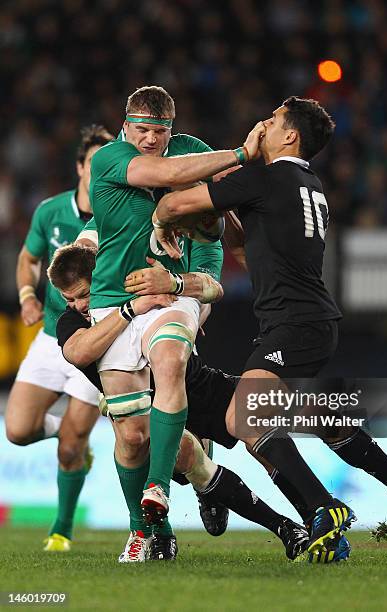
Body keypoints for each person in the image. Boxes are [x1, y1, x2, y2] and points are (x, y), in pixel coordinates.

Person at [150, 96, 387, 557]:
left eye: (274, 121)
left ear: (290, 136)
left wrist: (228, 165)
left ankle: (322, 506)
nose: (265, 124)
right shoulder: (307, 183)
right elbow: (245, 244)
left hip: (295, 324)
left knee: (245, 415)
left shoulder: (265, 176)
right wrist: (222, 207)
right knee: (322, 421)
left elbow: (176, 205)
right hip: (308, 323)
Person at [47, 243, 313, 564]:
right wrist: (129, 311)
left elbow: (204, 298)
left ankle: (315, 516)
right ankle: (161, 532)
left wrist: (189, 307)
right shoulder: (87, 318)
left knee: (259, 425)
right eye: (69, 299)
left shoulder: (152, 282)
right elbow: (78, 352)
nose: (78, 305)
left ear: (102, 280)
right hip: (149, 407)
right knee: (160, 447)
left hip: (195, 385)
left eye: (84, 294)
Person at [87, 85, 263, 539]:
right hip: (117, 300)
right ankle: (155, 525)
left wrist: (192, 295)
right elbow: (165, 173)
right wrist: (241, 152)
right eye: (141, 130)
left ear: (172, 129)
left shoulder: (192, 151)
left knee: (171, 361)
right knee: (131, 433)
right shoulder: (111, 158)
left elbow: (223, 211)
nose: (148, 138)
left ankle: (158, 489)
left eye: (158, 132)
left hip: (178, 287)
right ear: (126, 126)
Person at [4, 125, 114, 551]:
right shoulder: (51, 211)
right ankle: (73, 438)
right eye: (96, 163)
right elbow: (28, 258)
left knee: (70, 446)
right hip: (51, 337)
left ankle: (61, 531)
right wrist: (28, 295)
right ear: (81, 167)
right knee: (17, 429)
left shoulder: (120, 215)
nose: (104, 170)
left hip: (95, 343)